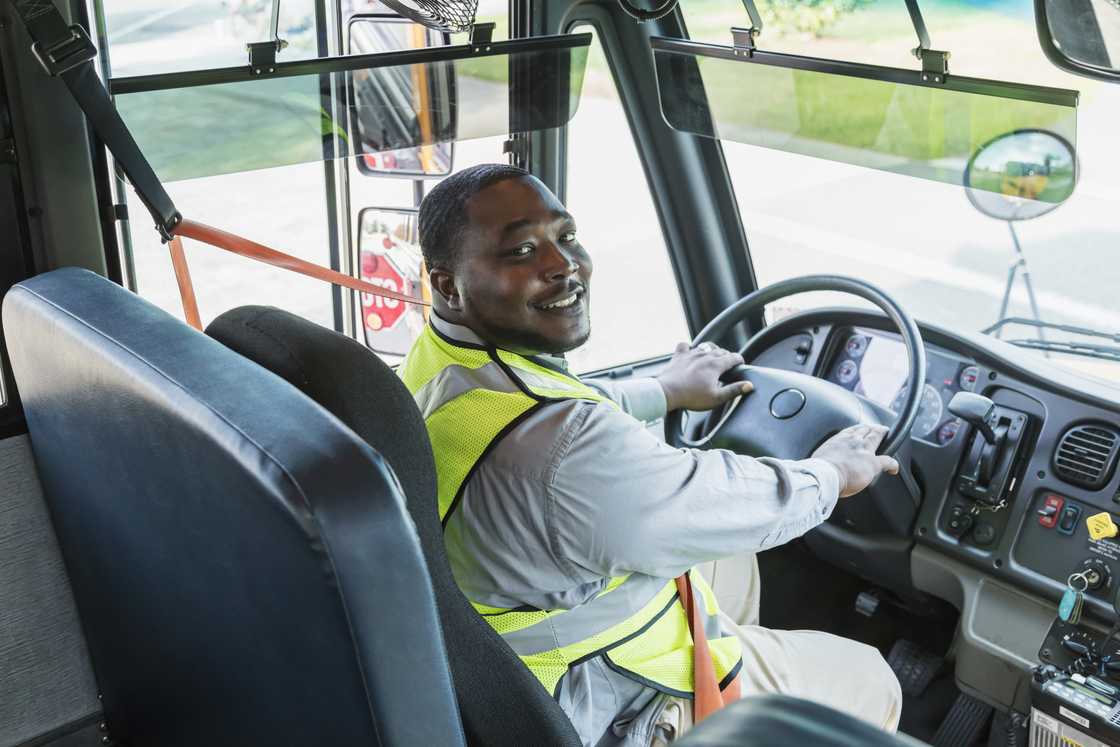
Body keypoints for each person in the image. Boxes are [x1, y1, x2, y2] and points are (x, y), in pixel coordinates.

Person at [398, 163, 903, 746]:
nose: (563, 266)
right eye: (522, 251)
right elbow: (708, 494)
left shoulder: (444, 362)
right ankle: (731, 718)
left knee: (732, 561)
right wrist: (834, 473)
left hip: (508, 613)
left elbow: (548, 410)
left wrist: (663, 389)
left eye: (565, 236)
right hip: (598, 695)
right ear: (448, 284)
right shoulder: (563, 446)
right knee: (870, 678)